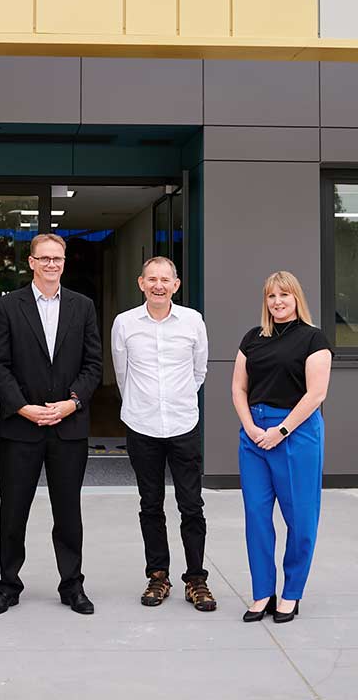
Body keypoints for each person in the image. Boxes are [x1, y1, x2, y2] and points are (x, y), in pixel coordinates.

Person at [0, 233, 102, 616]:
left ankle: (72, 586)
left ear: (64, 262)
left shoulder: (82, 306)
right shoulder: (8, 306)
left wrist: (71, 404)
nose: (52, 264)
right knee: (13, 511)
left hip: (68, 427)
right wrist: (22, 408)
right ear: (31, 262)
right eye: (44, 258)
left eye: (58, 258)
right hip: (22, 428)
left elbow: (93, 365)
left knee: (68, 512)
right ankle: (8, 585)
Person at [112, 256, 217, 611]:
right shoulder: (125, 324)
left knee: (192, 505)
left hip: (183, 423)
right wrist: (143, 405)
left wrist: (176, 399)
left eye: (165, 279)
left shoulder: (193, 321)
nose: (158, 285)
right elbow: (122, 374)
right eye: (151, 279)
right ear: (141, 283)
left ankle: (196, 579)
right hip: (141, 425)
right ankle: (158, 576)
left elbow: (199, 371)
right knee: (150, 504)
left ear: (176, 285)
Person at [231, 270, 331, 624]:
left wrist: (281, 430)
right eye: (271, 296)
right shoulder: (253, 338)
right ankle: (262, 593)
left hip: (297, 433)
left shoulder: (313, 339)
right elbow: (239, 388)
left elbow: (316, 393)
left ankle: (291, 593)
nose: (277, 302)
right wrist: (250, 427)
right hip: (255, 435)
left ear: (296, 298)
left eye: (284, 295)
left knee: (300, 518)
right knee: (257, 516)